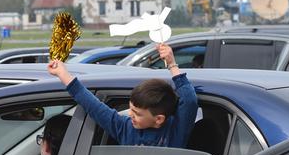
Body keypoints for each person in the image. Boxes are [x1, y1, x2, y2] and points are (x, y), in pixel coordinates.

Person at [47, 43, 198, 147]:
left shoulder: (176, 131)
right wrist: (63, 74)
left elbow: (189, 100)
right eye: (131, 109)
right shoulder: (124, 127)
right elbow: (93, 106)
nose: (130, 114)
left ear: (159, 119)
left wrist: (171, 64)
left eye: (137, 113)